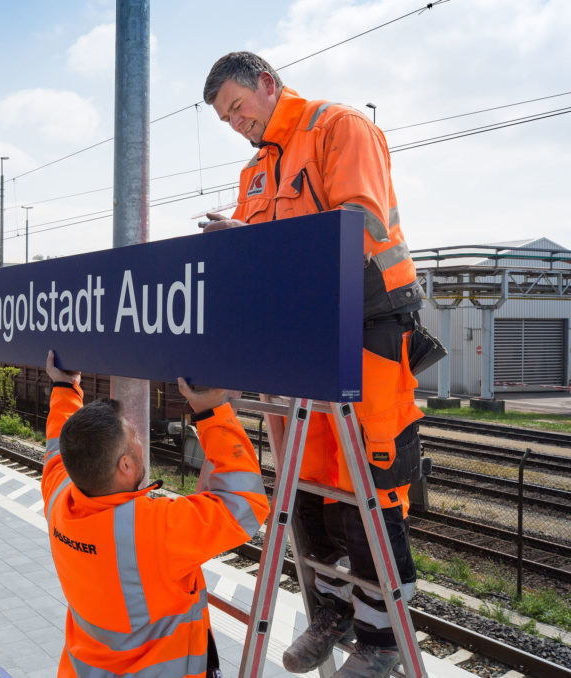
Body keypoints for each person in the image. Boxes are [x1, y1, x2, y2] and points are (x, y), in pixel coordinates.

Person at [200, 51, 424, 678]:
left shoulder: (340, 127)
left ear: (268, 85)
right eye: (225, 118)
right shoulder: (253, 174)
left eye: (239, 107)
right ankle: (330, 611)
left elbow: (357, 222)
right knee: (309, 476)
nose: (236, 122)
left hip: (368, 323)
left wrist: (260, 246)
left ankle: (381, 637)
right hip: (303, 335)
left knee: (371, 472)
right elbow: (260, 254)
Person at [41, 350, 269, 677]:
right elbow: (246, 504)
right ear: (126, 465)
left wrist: (65, 388)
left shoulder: (60, 497)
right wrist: (212, 412)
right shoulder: (152, 529)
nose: (139, 437)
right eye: (132, 436)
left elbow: (55, 446)